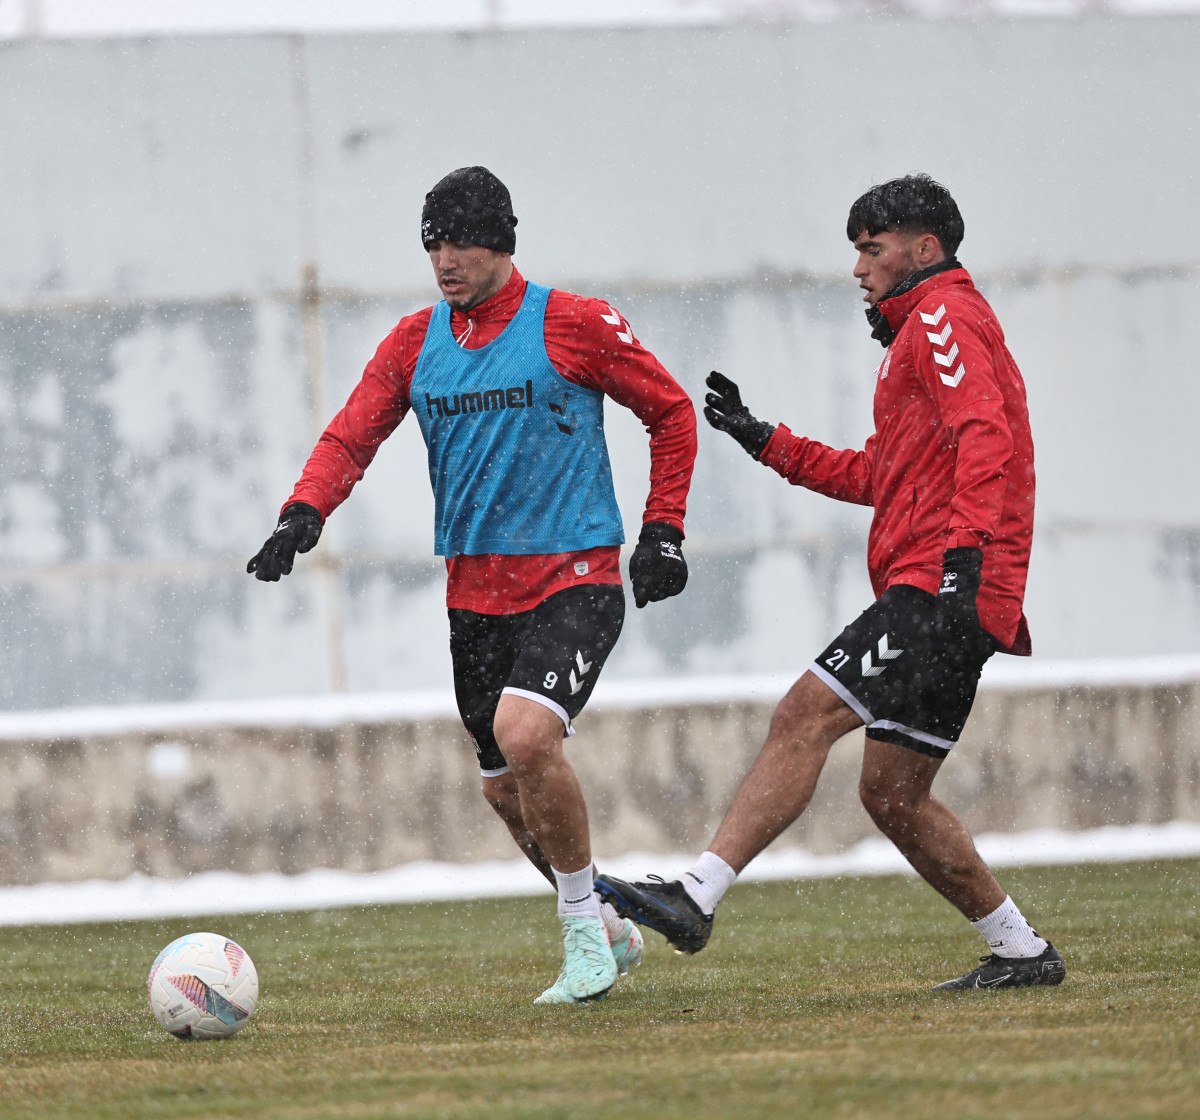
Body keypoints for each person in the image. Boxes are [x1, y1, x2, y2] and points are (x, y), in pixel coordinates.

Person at [597, 173, 1066, 991]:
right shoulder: (917, 337)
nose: (859, 267)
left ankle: (697, 895)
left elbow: (986, 438)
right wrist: (761, 438)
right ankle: (1022, 953)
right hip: (959, 589)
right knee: (894, 794)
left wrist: (962, 564)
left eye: (872, 249)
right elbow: (876, 474)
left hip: (941, 588)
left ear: (925, 249)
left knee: (803, 713)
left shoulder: (944, 318)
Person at [247, 166, 697, 1005]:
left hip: (576, 577)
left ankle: (579, 943)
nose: (444, 259)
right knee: (502, 785)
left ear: (502, 240)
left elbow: (670, 411)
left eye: (460, 240)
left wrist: (662, 528)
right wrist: (302, 512)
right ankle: (604, 923)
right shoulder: (416, 341)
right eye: (432, 243)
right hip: (474, 594)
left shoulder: (571, 321)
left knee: (527, 738)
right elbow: (351, 437)